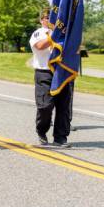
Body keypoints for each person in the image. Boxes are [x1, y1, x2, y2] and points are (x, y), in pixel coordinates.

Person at [29, 8, 72, 148]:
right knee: (45, 106)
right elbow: (40, 46)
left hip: (61, 72)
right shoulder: (38, 33)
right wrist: (53, 37)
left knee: (63, 107)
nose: (50, 20)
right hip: (44, 72)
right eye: (47, 17)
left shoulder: (64, 33)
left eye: (52, 17)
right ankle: (41, 131)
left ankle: (60, 137)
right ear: (42, 20)